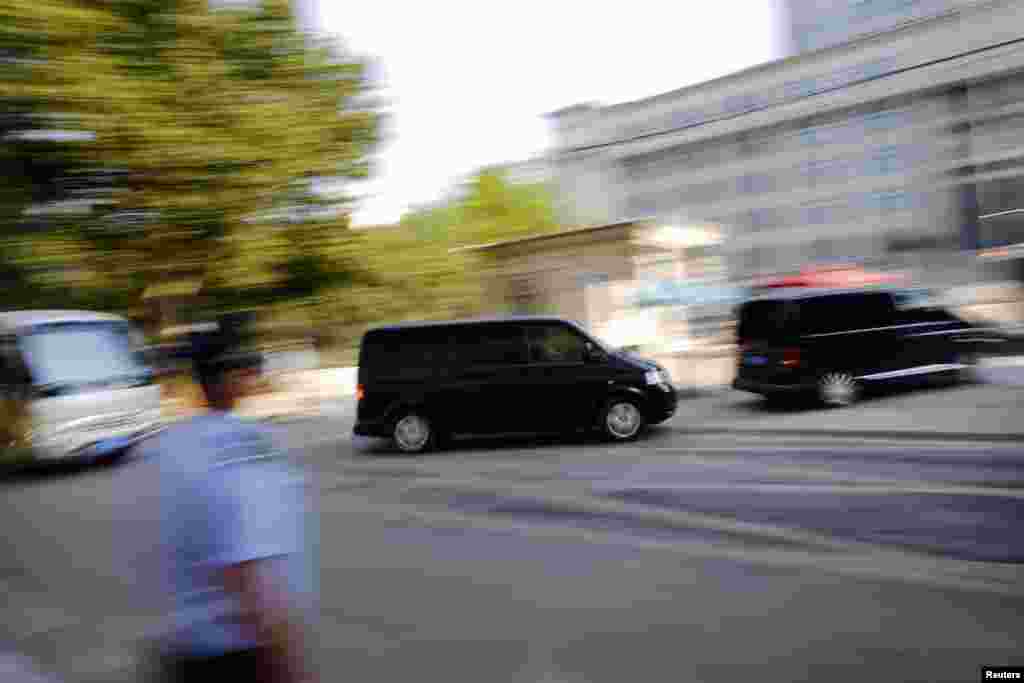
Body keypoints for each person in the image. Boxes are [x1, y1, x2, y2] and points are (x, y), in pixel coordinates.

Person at [142, 320, 318, 683]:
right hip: (241, 654)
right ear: (232, 377)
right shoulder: (242, 445)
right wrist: (287, 666)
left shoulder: (173, 444)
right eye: (247, 366)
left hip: (188, 647)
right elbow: (247, 568)